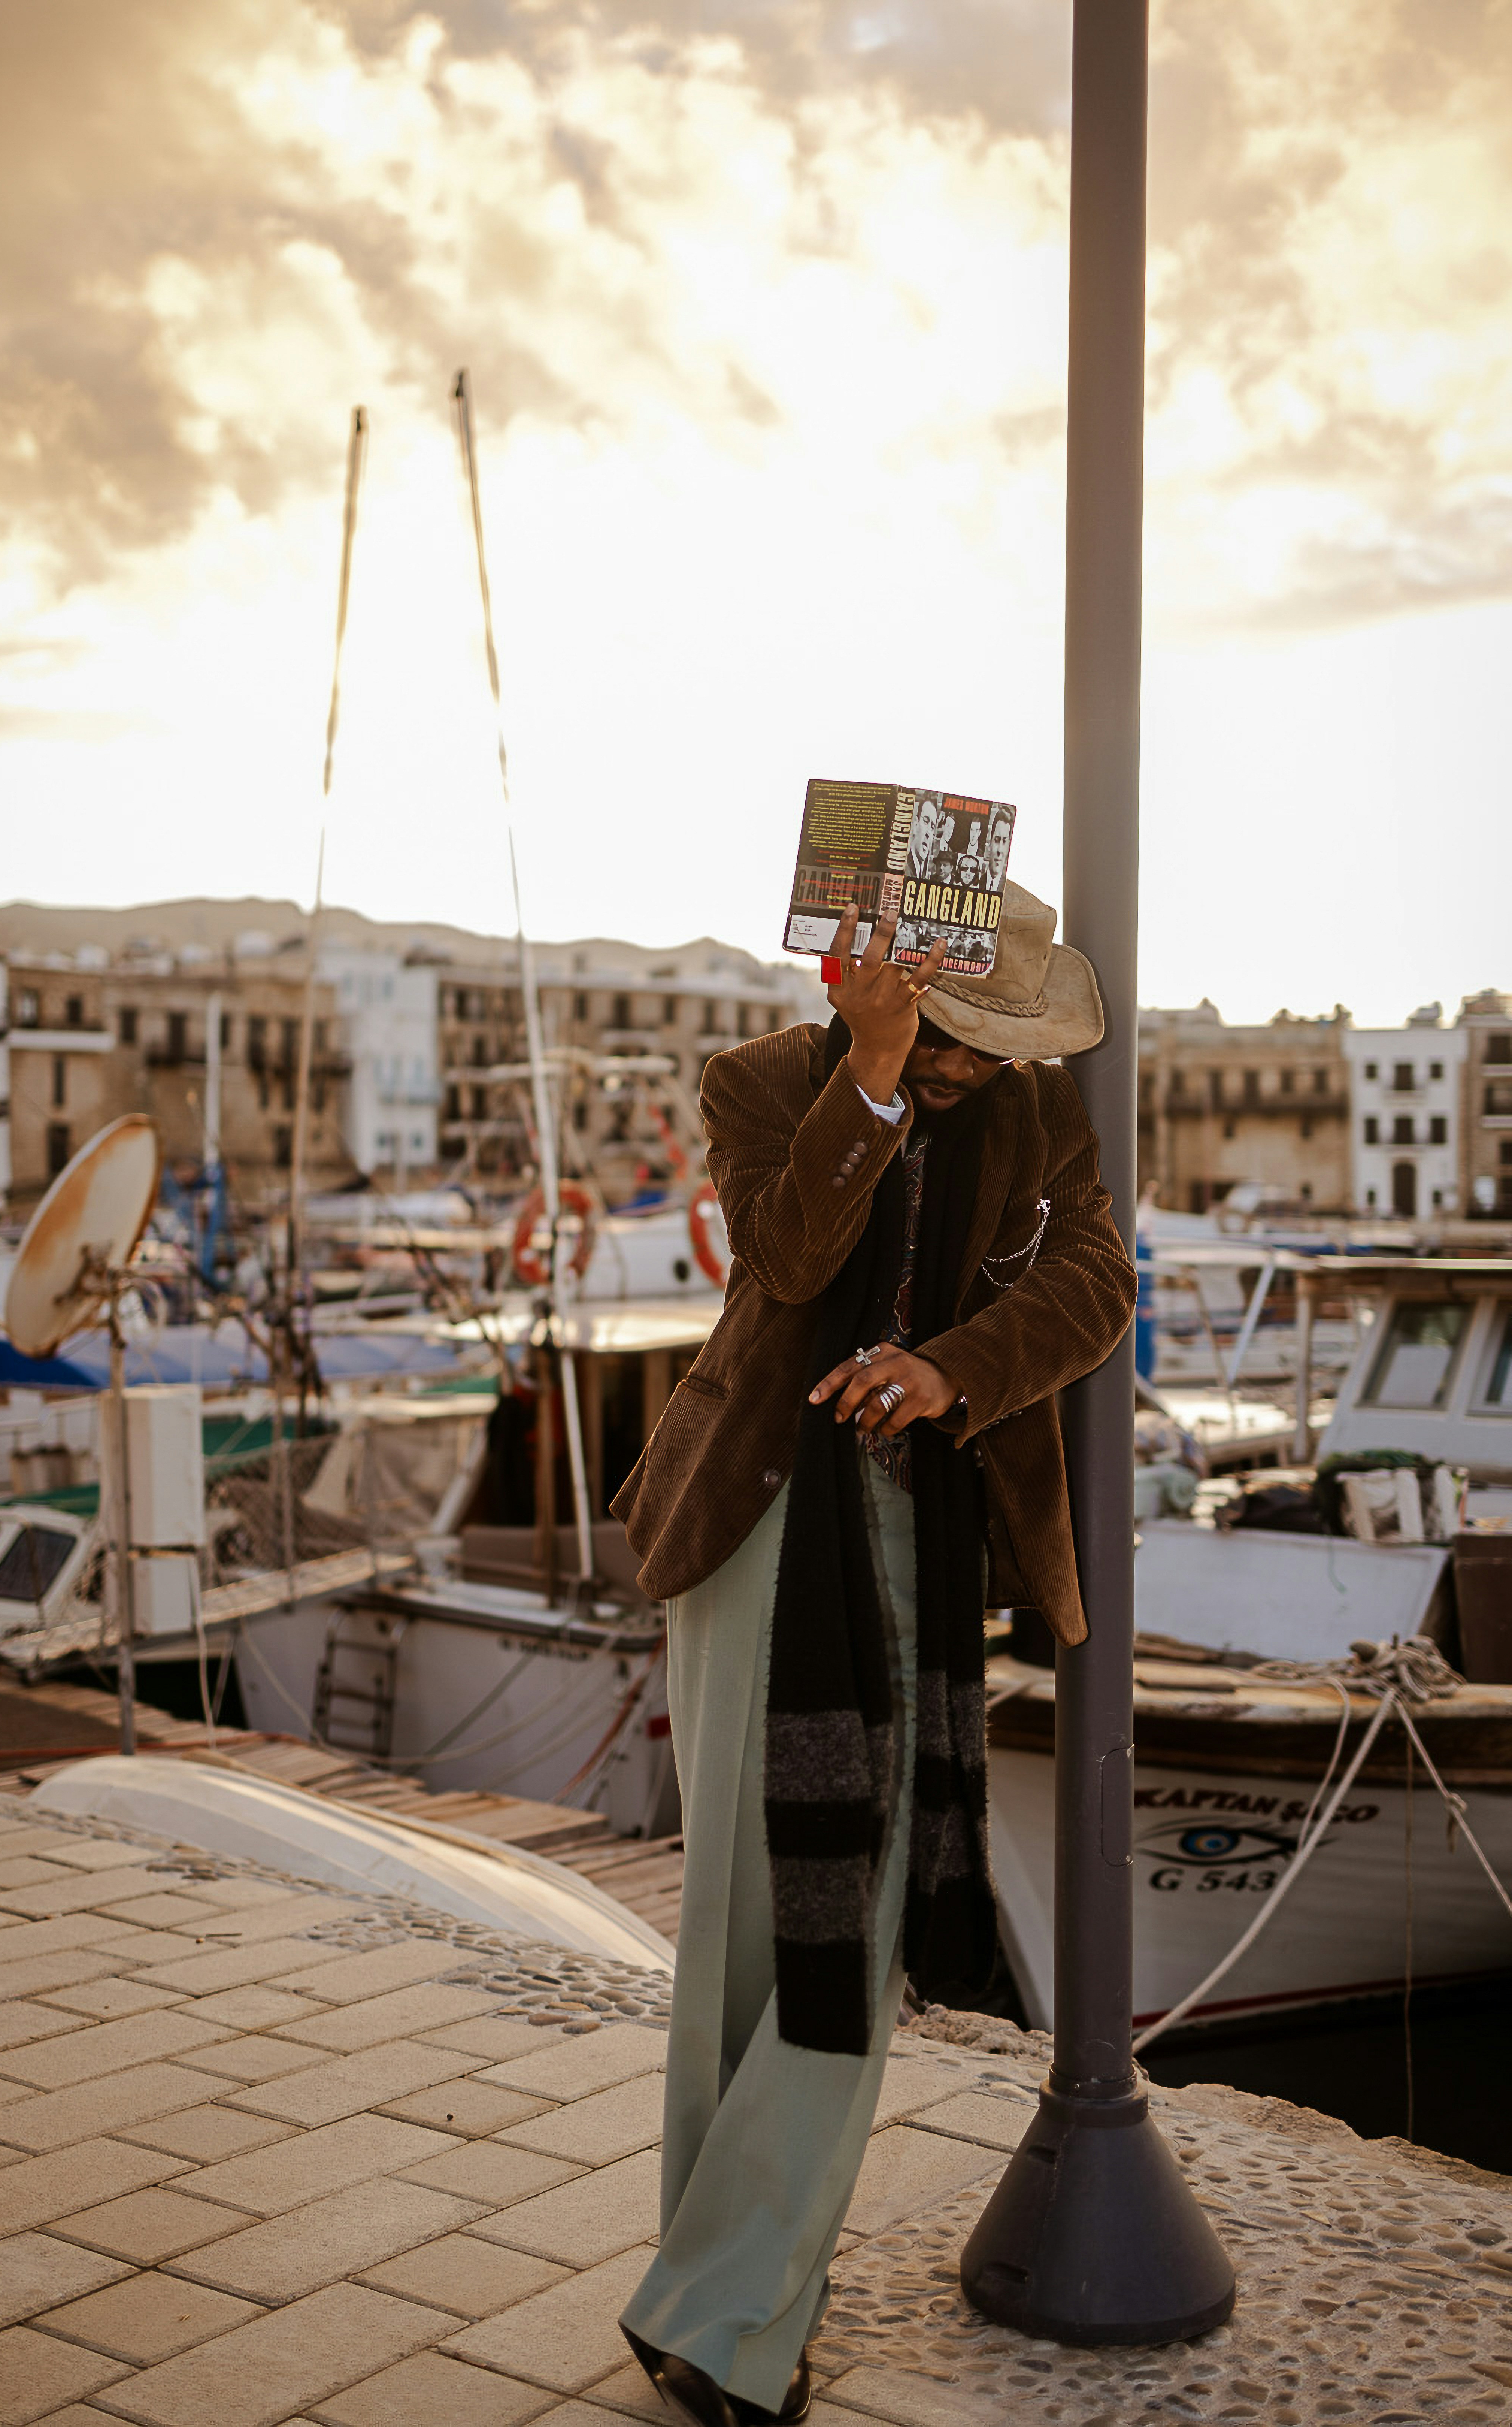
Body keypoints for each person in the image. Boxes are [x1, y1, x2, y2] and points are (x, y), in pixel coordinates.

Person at [610, 877, 1137, 2425]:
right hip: (757, 1520)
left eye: (989, 1045)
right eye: (957, 1039)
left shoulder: (1042, 1120)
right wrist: (880, 1071)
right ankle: (718, 2300)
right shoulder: (765, 1083)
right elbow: (782, 1258)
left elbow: (1095, 1287)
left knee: (860, 1919)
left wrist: (948, 1369)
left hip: (922, 1529)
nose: (976, 1068)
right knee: (741, 1933)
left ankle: (723, 2309)